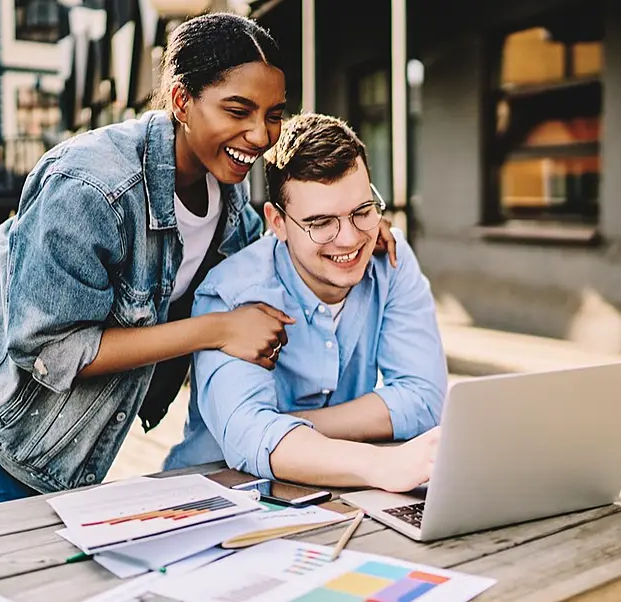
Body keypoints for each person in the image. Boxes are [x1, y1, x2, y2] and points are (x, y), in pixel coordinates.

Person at [0, 14, 400, 521]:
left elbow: (269, 257)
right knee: (26, 559)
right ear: (182, 102)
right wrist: (216, 330)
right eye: (238, 110)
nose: (260, 134)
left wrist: (350, 226)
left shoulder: (229, 196)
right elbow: (51, 349)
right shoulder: (91, 188)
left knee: (37, 555)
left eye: (273, 114)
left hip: (65, 423)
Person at [163, 113, 446, 493]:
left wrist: (288, 426)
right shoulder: (232, 293)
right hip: (215, 494)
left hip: (339, 492)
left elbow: (424, 399)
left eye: (362, 212)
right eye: (321, 223)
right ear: (277, 223)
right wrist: (378, 463)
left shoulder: (391, 262)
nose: (348, 239)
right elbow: (250, 435)